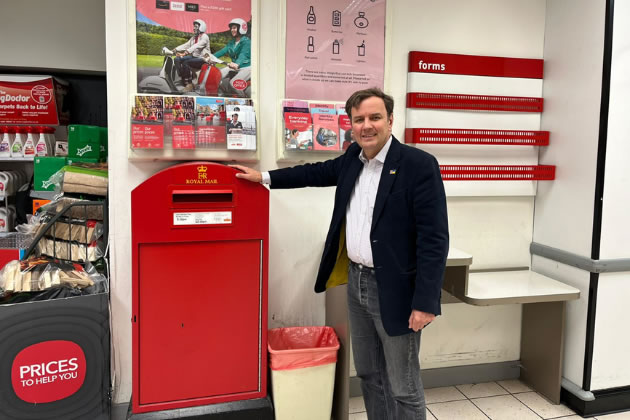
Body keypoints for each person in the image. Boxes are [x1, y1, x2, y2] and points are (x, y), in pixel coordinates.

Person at [234, 88, 449, 420]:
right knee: (369, 375)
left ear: (391, 121)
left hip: (397, 291)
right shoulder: (353, 159)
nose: (367, 126)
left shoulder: (418, 166)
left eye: (375, 117)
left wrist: (425, 302)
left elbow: (434, 240)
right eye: (359, 119)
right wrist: (263, 177)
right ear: (350, 125)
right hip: (356, 283)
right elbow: (314, 172)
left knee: (403, 386)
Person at [214, 18, 251, 97]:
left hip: (246, 67)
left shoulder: (247, 42)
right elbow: (222, 51)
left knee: (234, 84)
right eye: (231, 28)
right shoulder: (232, 42)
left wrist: (237, 63)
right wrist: (210, 57)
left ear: (241, 28)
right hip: (234, 66)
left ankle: (243, 100)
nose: (232, 30)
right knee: (217, 75)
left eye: (234, 28)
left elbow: (243, 54)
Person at [174, 19, 211, 92]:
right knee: (177, 59)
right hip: (195, 57)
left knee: (186, 62)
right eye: (194, 27)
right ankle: (183, 78)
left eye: (196, 27)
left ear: (201, 27)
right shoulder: (194, 38)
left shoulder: (205, 37)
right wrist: (175, 49)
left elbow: (197, 45)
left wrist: (184, 53)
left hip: (203, 59)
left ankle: (189, 83)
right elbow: (186, 45)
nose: (194, 28)